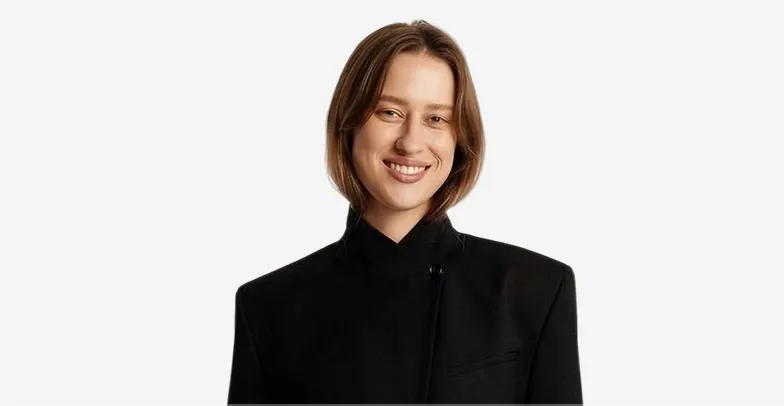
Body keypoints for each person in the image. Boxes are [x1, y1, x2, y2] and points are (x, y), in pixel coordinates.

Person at [227, 19, 582, 404]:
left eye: (436, 119)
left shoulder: (535, 290)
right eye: (389, 112)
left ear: (460, 138)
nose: (411, 143)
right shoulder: (269, 308)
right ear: (349, 124)